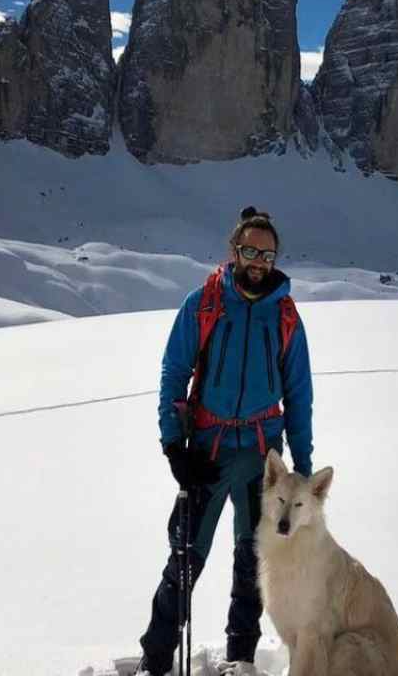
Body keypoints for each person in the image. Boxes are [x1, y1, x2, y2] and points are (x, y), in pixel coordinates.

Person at [137, 206, 314, 676]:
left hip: (264, 459)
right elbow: (174, 373)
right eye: (251, 250)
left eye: (268, 253)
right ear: (234, 250)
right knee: (184, 559)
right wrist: (174, 446)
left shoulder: (286, 316)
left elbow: (299, 394)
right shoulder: (204, 303)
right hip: (209, 453)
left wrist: (303, 465)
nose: (259, 260)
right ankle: (155, 659)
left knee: (253, 562)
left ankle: (241, 659)